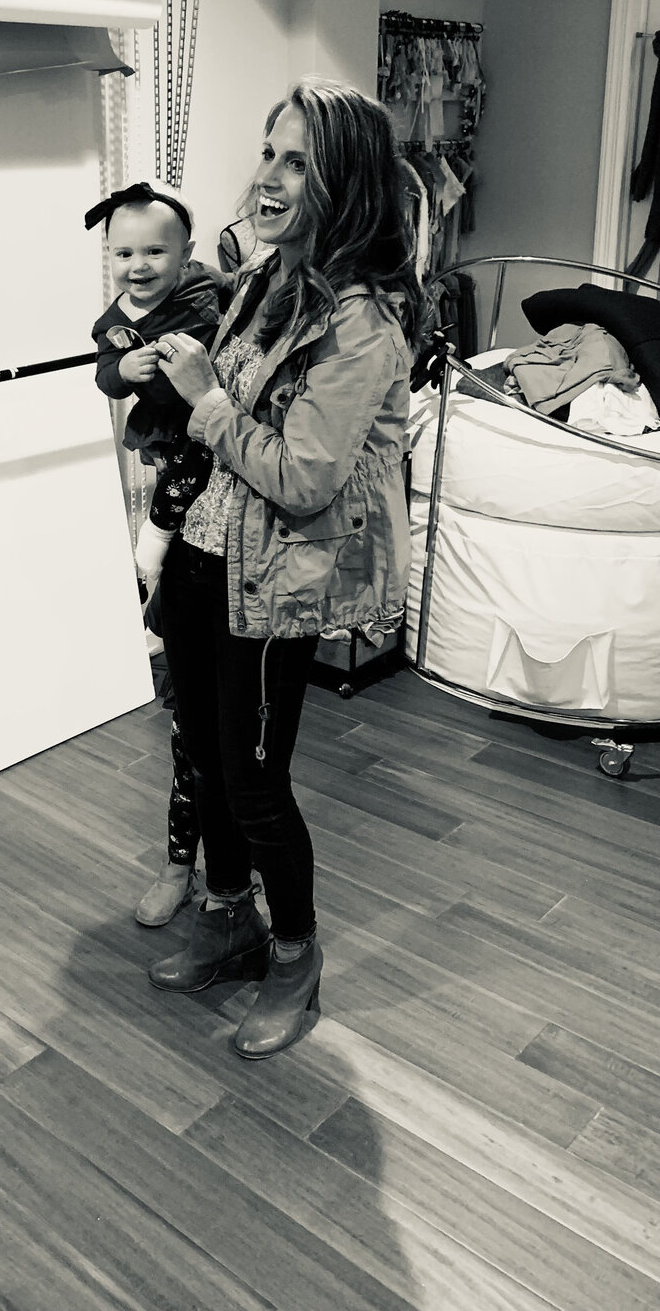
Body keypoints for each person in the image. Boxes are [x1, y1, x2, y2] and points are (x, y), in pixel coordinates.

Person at [145, 79, 423, 1059]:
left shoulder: (362, 328)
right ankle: (228, 916)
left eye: (296, 159)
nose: (267, 175)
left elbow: (304, 477)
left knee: (257, 781)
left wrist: (202, 398)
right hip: (204, 559)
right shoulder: (267, 280)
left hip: (273, 584)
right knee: (210, 763)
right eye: (267, 150)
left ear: (341, 180)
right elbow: (228, 411)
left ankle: (296, 957)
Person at [85, 179, 226, 926]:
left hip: (210, 467)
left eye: (155, 252)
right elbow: (105, 371)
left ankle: (237, 878)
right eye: (124, 252)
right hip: (171, 457)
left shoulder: (206, 299)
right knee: (188, 739)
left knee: (239, 757)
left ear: (186, 255)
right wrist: (124, 373)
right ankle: (181, 864)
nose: (139, 266)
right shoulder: (116, 317)